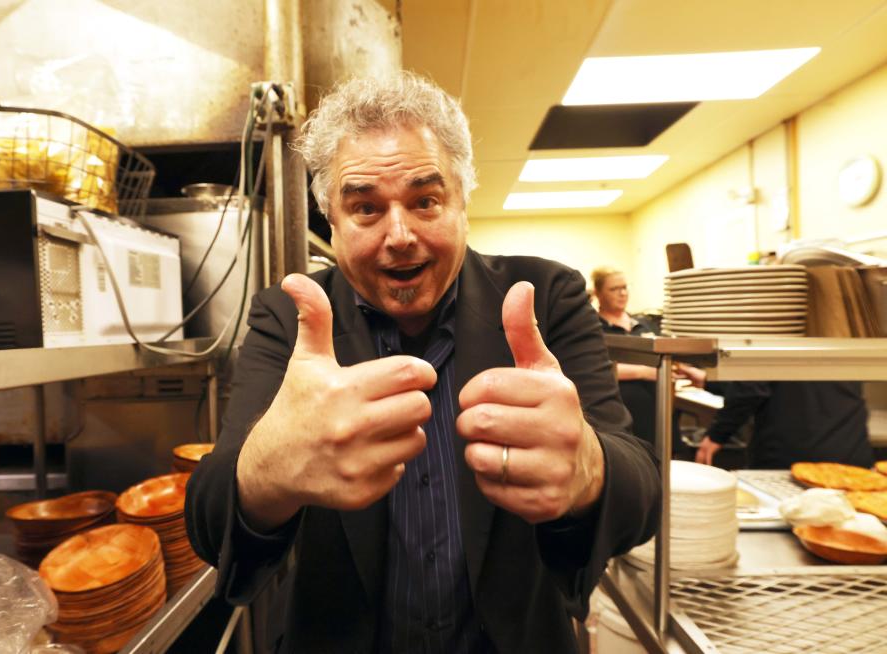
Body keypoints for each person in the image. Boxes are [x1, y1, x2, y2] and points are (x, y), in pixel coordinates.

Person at [185, 72, 660, 654]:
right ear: (330, 222)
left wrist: (588, 467)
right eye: (364, 208)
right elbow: (209, 523)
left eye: (425, 200)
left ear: (462, 201)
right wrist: (267, 470)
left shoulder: (545, 296)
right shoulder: (291, 319)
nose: (400, 235)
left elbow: (643, 493)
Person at [592, 267, 704, 444]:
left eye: (624, 287)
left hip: (658, 413)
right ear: (598, 293)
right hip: (621, 417)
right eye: (614, 289)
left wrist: (686, 369)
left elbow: (664, 354)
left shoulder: (645, 324)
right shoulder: (593, 327)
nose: (622, 293)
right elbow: (595, 367)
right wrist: (644, 372)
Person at [695, 381, 874, 469]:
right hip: (852, 456)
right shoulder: (834, 327)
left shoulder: (775, 327)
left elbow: (751, 387)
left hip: (797, 460)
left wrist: (717, 434)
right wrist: (708, 381)